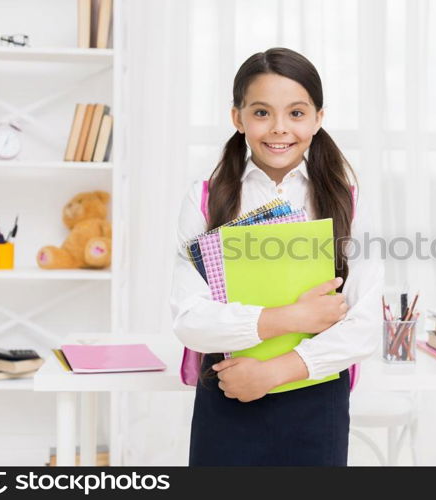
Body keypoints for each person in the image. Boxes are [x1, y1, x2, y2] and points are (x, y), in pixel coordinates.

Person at [170, 47, 384, 466]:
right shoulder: (206, 197)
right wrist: (291, 318)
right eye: (262, 112)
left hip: (315, 397)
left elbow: (364, 326)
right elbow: (189, 320)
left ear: (319, 118)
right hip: (229, 390)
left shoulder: (349, 201)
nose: (279, 129)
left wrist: (273, 371)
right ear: (238, 117)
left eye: (297, 113)